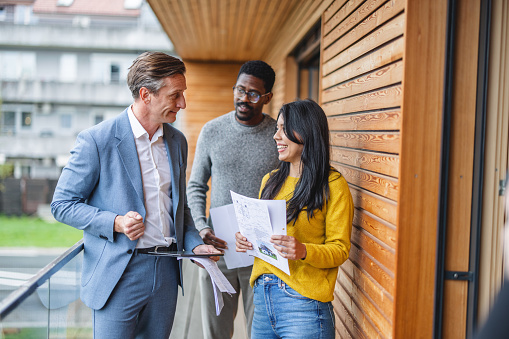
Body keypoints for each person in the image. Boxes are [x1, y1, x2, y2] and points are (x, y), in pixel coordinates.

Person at [51, 51, 220, 339]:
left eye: (184, 94)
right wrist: (115, 221)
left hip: (167, 271)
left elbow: (179, 208)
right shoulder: (96, 140)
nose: (183, 103)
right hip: (118, 274)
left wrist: (195, 244)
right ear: (146, 95)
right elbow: (62, 205)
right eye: (175, 95)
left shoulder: (177, 142)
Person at [235, 99, 354, 338]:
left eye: (283, 128)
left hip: (304, 305)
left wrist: (303, 250)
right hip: (262, 298)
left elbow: (340, 250)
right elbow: (264, 239)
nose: (276, 136)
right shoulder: (270, 181)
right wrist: (246, 240)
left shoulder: (333, 185)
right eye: (277, 128)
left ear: (305, 131)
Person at [187, 60, 279, 339]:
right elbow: (195, 186)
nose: (243, 98)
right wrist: (202, 228)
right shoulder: (212, 131)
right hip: (219, 249)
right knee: (215, 333)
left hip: (262, 252)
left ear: (267, 97)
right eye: (240, 90)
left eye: (253, 94)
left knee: (259, 333)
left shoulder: (278, 136)